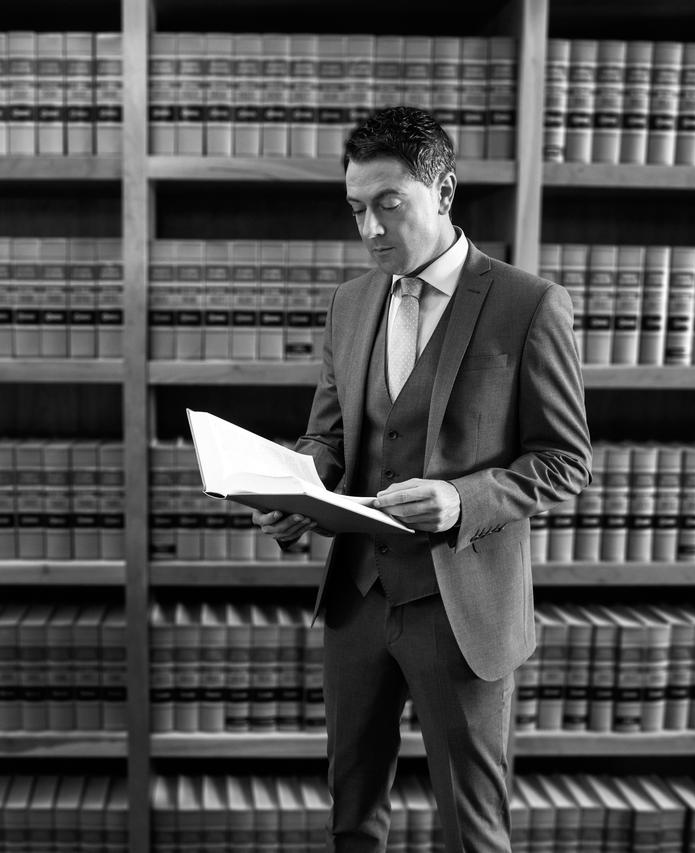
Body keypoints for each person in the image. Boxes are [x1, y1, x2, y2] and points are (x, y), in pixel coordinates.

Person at [252, 106, 592, 851]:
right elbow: (329, 435)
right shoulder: (351, 303)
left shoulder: (529, 305)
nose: (370, 229)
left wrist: (461, 499)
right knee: (352, 819)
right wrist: (294, 491)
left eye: (388, 204)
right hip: (358, 598)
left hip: (461, 607)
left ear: (443, 191)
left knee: (473, 831)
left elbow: (566, 460)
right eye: (356, 209)